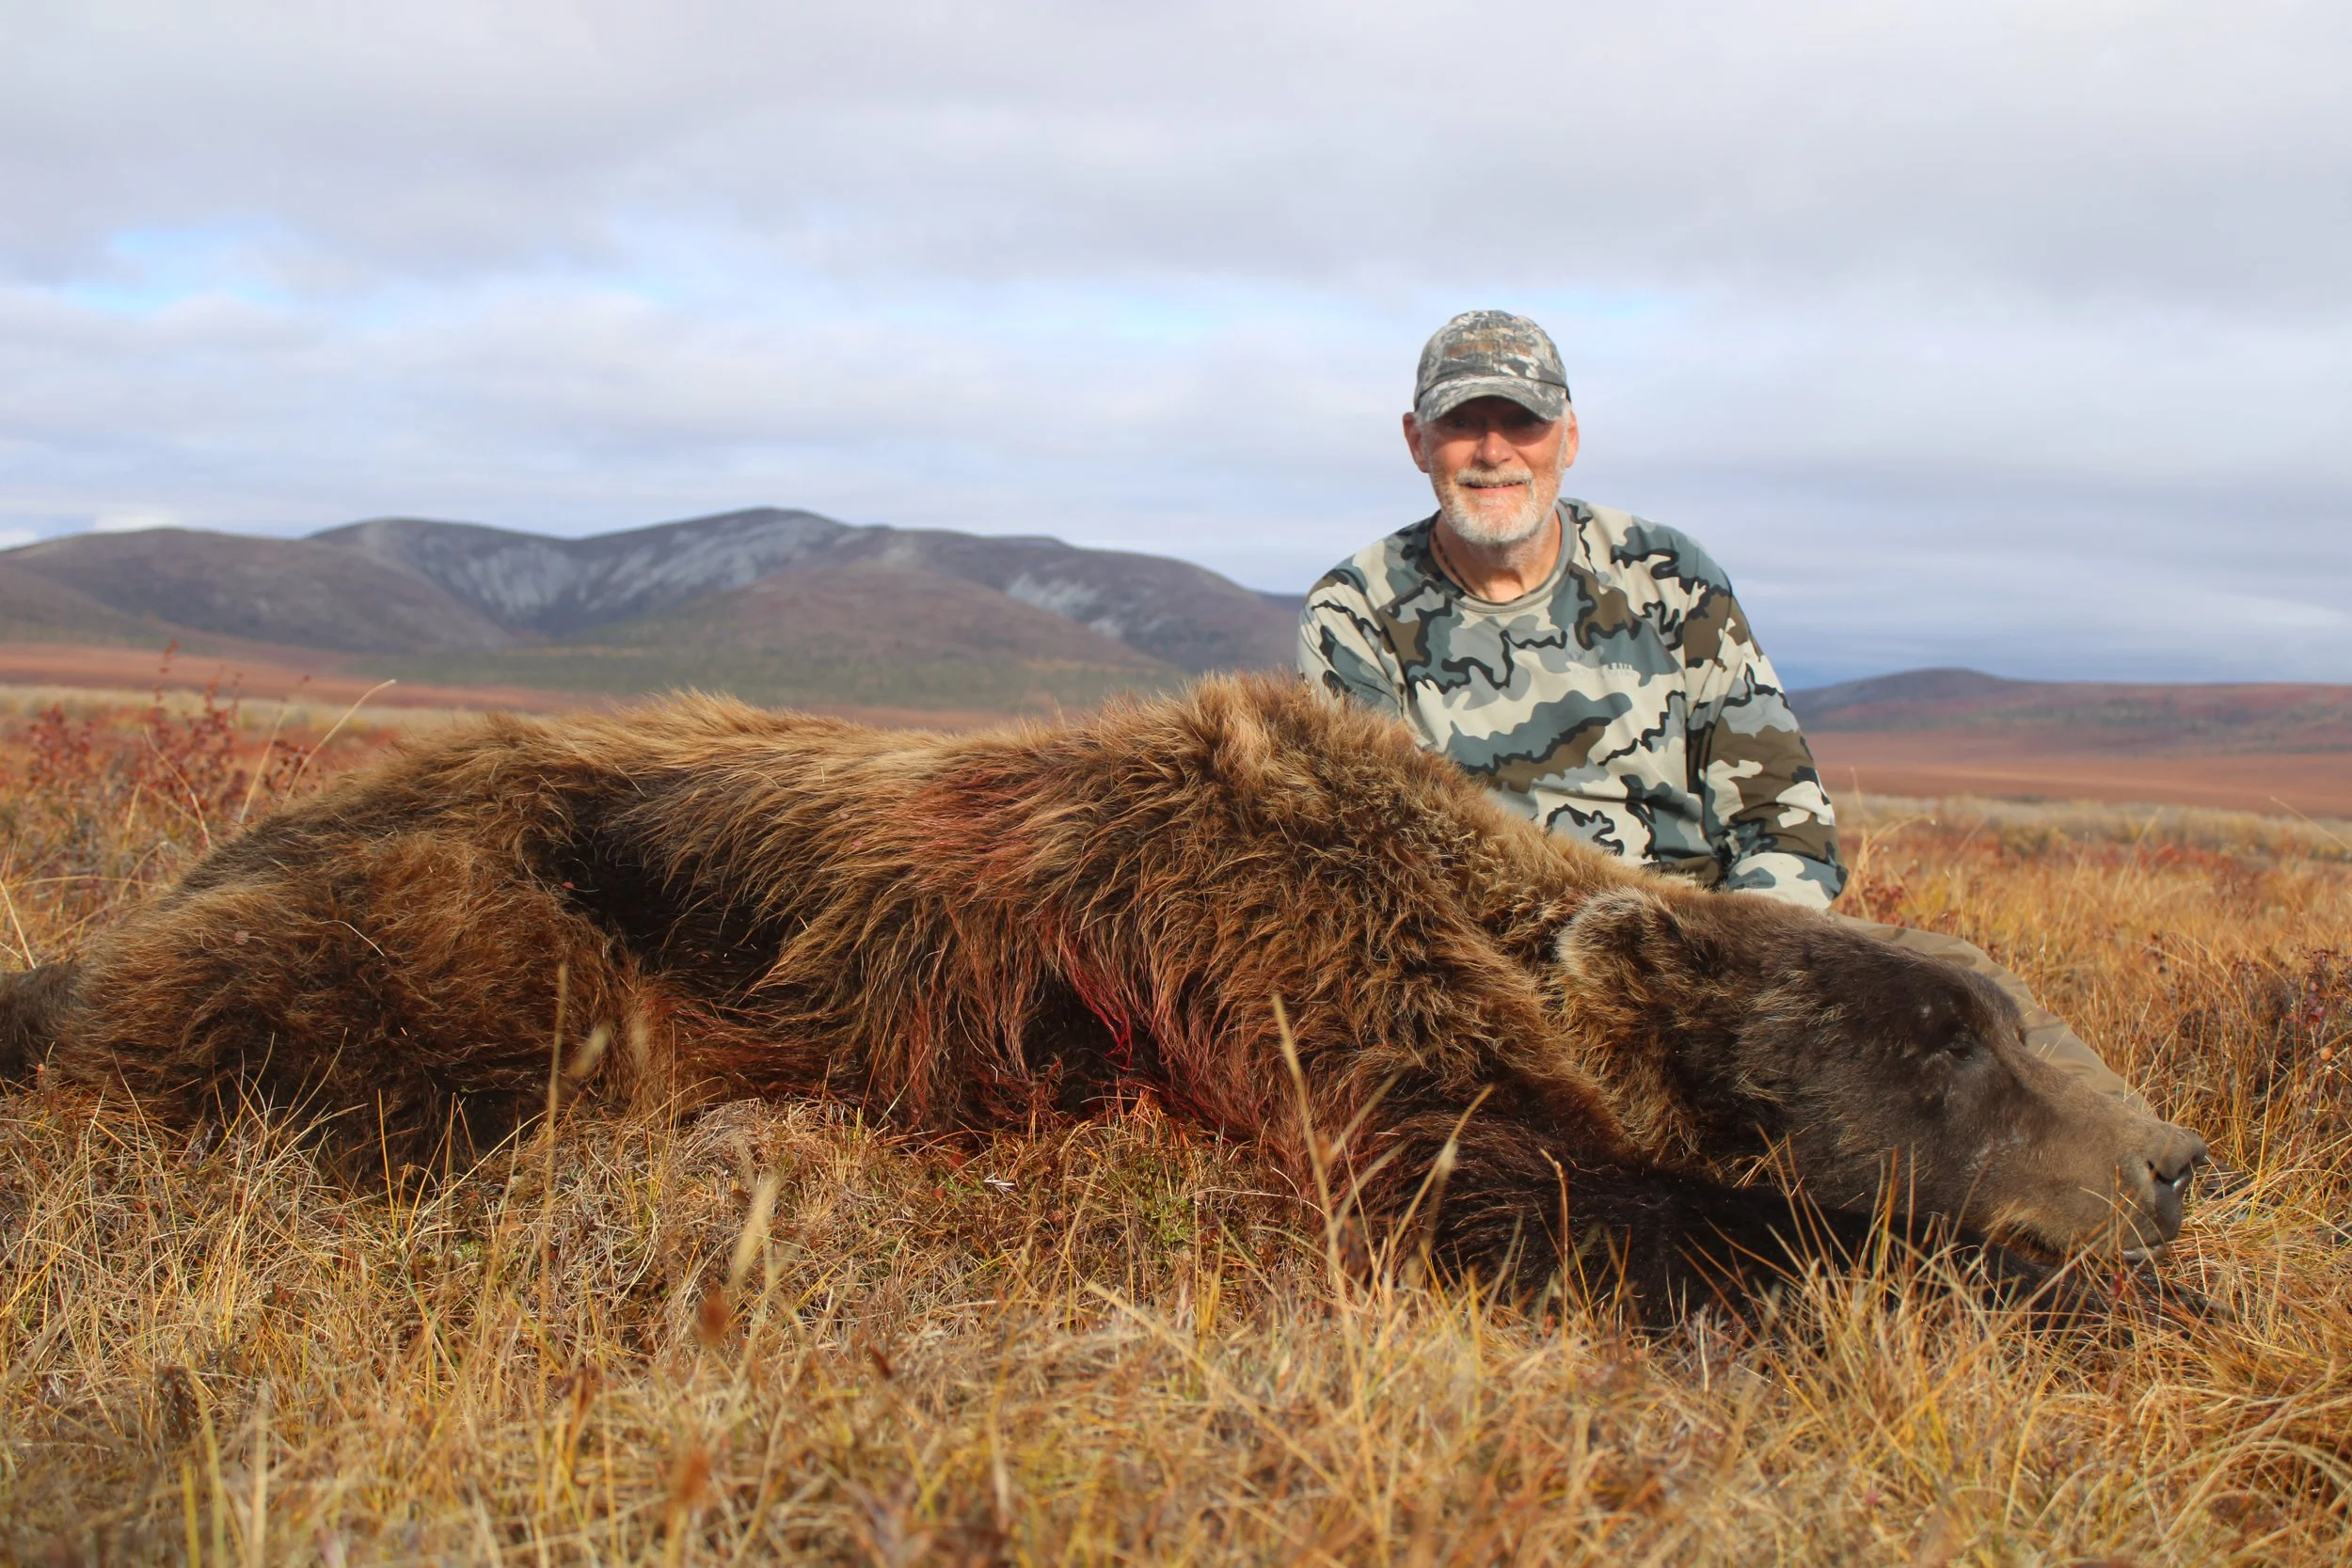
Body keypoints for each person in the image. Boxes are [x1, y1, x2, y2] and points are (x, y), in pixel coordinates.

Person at [1298, 309, 2147, 1109]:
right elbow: (1393, 871)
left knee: (1959, 982)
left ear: (1569, 437)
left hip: (1726, 943)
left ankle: (2159, 1173)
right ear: (1417, 441)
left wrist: (1746, 974)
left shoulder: (1669, 572)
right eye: (1461, 423)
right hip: (1519, 978)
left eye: (1520, 421)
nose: (1492, 451)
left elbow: (1785, 818)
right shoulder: (1356, 610)